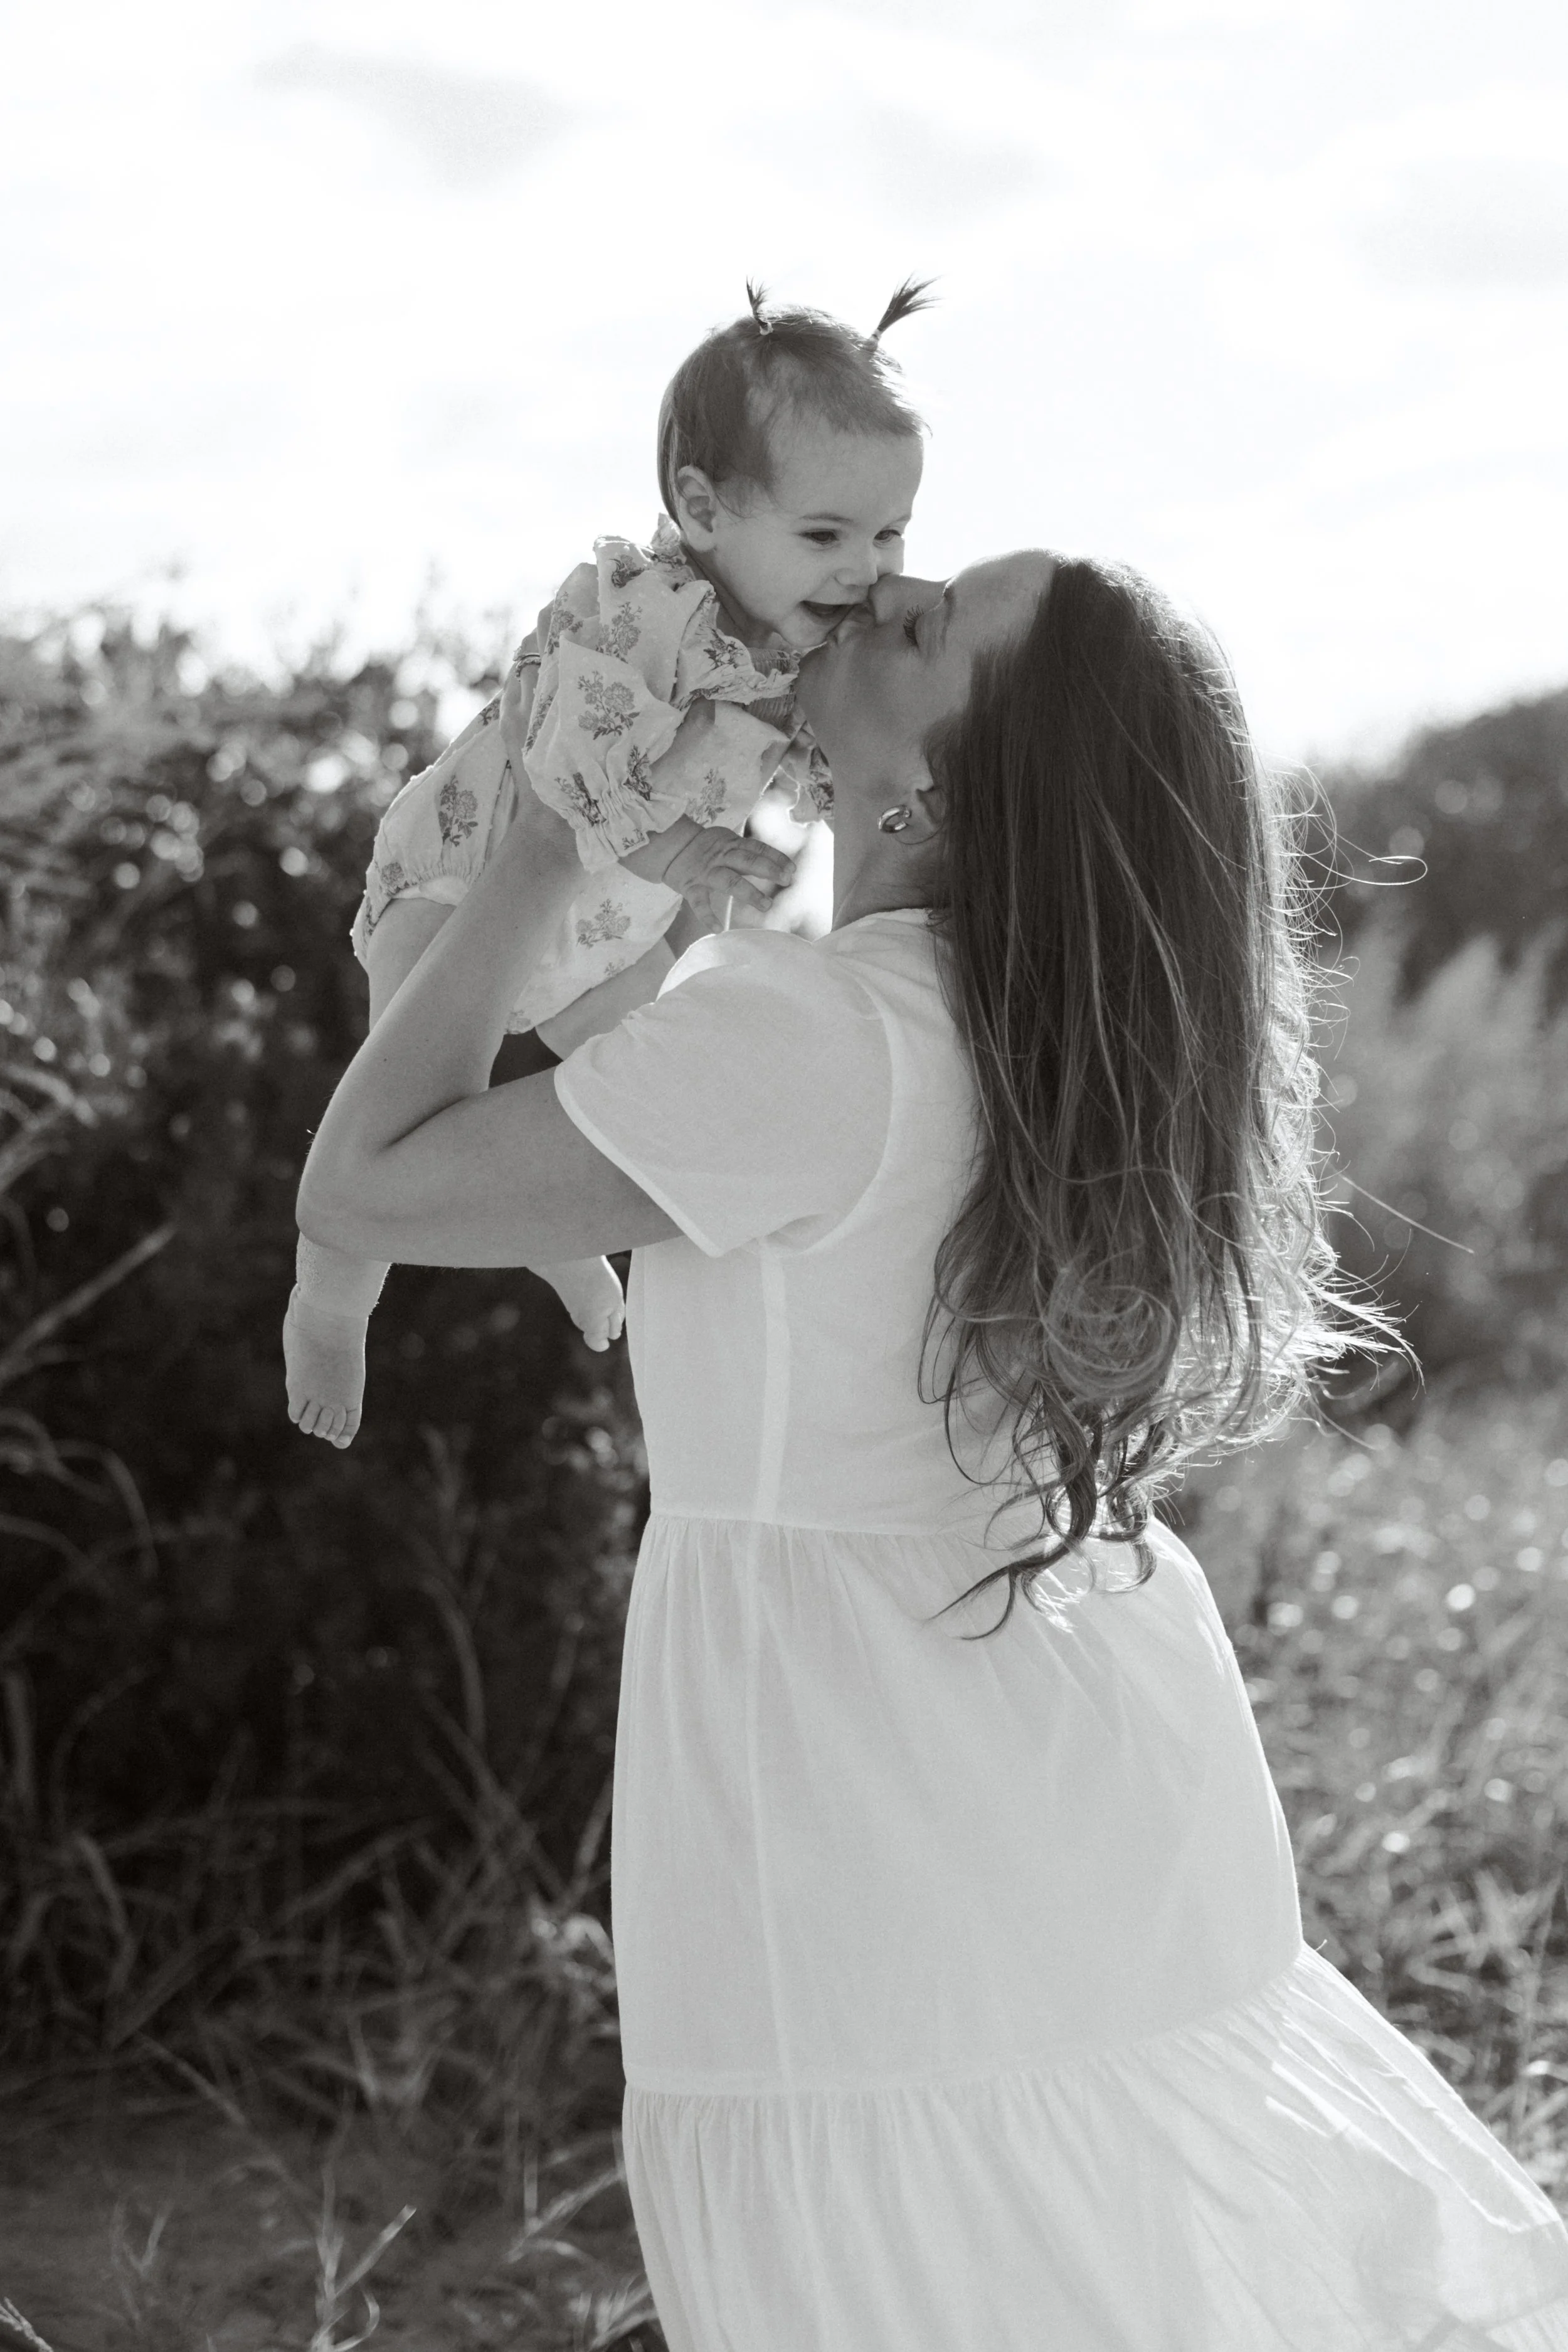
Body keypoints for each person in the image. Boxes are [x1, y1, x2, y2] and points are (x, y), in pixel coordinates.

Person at [295, 552, 1568, 2348]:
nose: (869, 596)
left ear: (956, 785)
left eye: (919, 627)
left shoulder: (812, 1032)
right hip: (1058, 1737)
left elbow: (362, 1182)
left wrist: (533, 839)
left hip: (866, 1779)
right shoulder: (1005, 1030)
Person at [283, 280, 929, 1446]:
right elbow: (569, 787)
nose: (861, 568)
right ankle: (330, 1303)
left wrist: (734, 844)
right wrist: (681, 842)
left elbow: (812, 774)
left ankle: (556, 1239)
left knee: (644, 1078)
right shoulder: (642, 618)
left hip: (604, 923)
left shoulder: (800, 645)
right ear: (702, 505)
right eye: (826, 534)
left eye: (889, 535)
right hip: (461, 873)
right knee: (422, 1100)